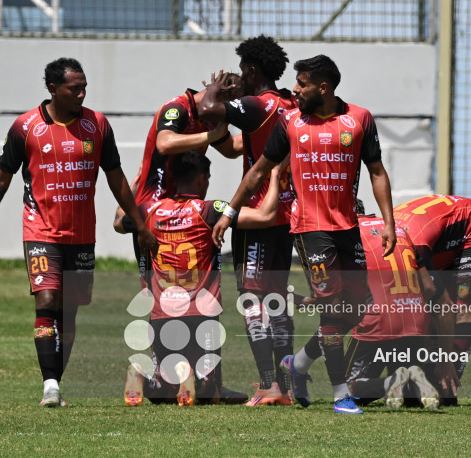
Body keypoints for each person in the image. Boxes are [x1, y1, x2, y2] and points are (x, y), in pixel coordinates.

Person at [212, 54, 397, 414]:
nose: (295, 90)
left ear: (323, 88)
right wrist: (230, 212)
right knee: (331, 310)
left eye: (303, 84)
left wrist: (388, 222)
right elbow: (257, 172)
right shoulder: (291, 122)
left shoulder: (359, 120)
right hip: (309, 229)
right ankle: (342, 394)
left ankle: (297, 364)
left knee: (357, 308)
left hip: (348, 227)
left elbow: (376, 171)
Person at [0, 57, 156, 407]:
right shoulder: (26, 128)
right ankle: (49, 385)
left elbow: (115, 177)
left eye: (84, 87)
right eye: (74, 88)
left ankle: (57, 381)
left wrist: (140, 225)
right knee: (48, 300)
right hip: (40, 231)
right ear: (53, 88)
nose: (82, 94)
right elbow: (1, 177)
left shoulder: (98, 126)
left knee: (70, 311)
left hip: (82, 235)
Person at [113, 76, 247, 404]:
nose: (227, 116)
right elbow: (164, 143)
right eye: (231, 105)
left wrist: (273, 131)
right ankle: (191, 379)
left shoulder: (210, 115)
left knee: (178, 298)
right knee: (194, 294)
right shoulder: (178, 109)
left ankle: (166, 378)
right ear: (220, 94)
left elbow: (230, 148)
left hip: (173, 209)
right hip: (155, 209)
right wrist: (211, 134)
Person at [122, 151, 283, 406]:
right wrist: (274, 175)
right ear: (200, 179)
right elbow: (265, 216)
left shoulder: (149, 211)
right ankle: (194, 376)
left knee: (163, 390)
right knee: (210, 392)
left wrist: (136, 182)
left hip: (162, 313)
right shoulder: (210, 210)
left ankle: (143, 378)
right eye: (207, 177)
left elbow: (120, 221)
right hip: (202, 312)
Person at [198, 35, 298, 406]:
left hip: (257, 217)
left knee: (253, 300)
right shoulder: (288, 103)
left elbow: (208, 110)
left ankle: (269, 384)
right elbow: (228, 148)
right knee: (277, 300)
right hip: (287, 214)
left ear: (252, 71)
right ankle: (285, 388)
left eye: (241, 71)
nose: (237, 76)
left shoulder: (258, 105)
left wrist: (216, 90)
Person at [342, 205, 459, 410]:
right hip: (416, 319)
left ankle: (390, 381)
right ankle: (414, 380)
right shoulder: (399, 230)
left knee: (345, 390)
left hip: (379, 319)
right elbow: (429, 288)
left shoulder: (349, 234)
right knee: (409, 399)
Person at [393, 194, 471, 405]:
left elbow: (444, 306)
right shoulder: (385, 244)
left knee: (461, 303)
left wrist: (445, 358)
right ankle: (425, 377)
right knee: (421, 303)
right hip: (435, 235)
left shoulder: (414, 248)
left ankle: (447, 381)